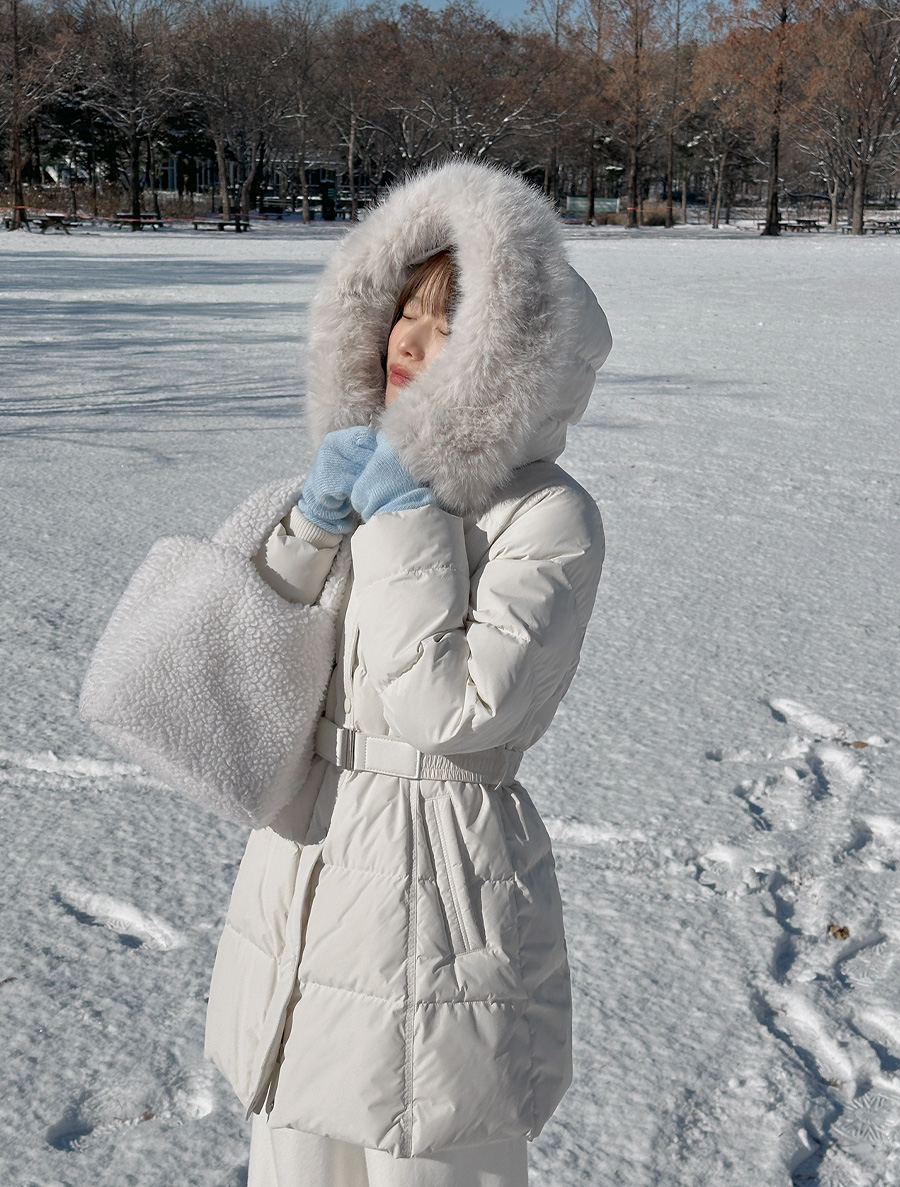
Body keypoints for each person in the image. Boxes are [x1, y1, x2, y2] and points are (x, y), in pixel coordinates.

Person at [204, 160, 612, 1187]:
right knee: (297, 1155)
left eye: (452, 326)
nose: (412, 343)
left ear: (510, 356)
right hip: (307, 858)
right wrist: (312, 525)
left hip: (438, 886)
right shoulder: (356, 467)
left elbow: (453, 708)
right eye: (407, 312)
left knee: (423, 1152)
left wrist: (402, 520)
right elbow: (246, 655)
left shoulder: (548, 516)